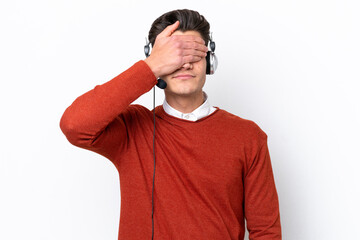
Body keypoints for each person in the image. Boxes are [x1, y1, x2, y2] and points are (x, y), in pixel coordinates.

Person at [60, 9, 281, 240]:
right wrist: (150, 67)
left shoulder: (248, 137)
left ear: (209, 61)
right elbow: (74, 125)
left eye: (193, 54)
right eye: (174, 56)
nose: (184, 65)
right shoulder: (132, 129)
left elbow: (266, 232)